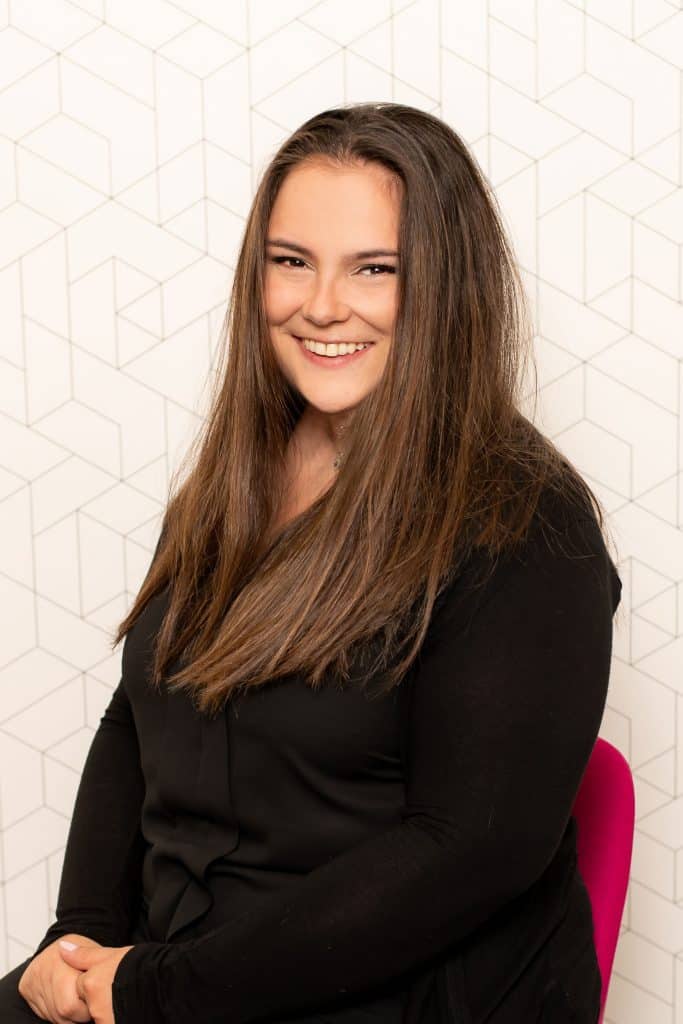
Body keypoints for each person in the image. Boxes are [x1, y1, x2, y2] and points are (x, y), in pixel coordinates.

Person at [0, 102, 623, 1024]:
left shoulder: (524, 521)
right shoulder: (238, 475)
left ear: (448, 286)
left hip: (391, 992)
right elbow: (140, 711)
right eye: (290, 261)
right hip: (179, 970)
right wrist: (79, 940)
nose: (322, 305)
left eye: (375, 268)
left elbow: (467, 850)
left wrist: (160, 990)